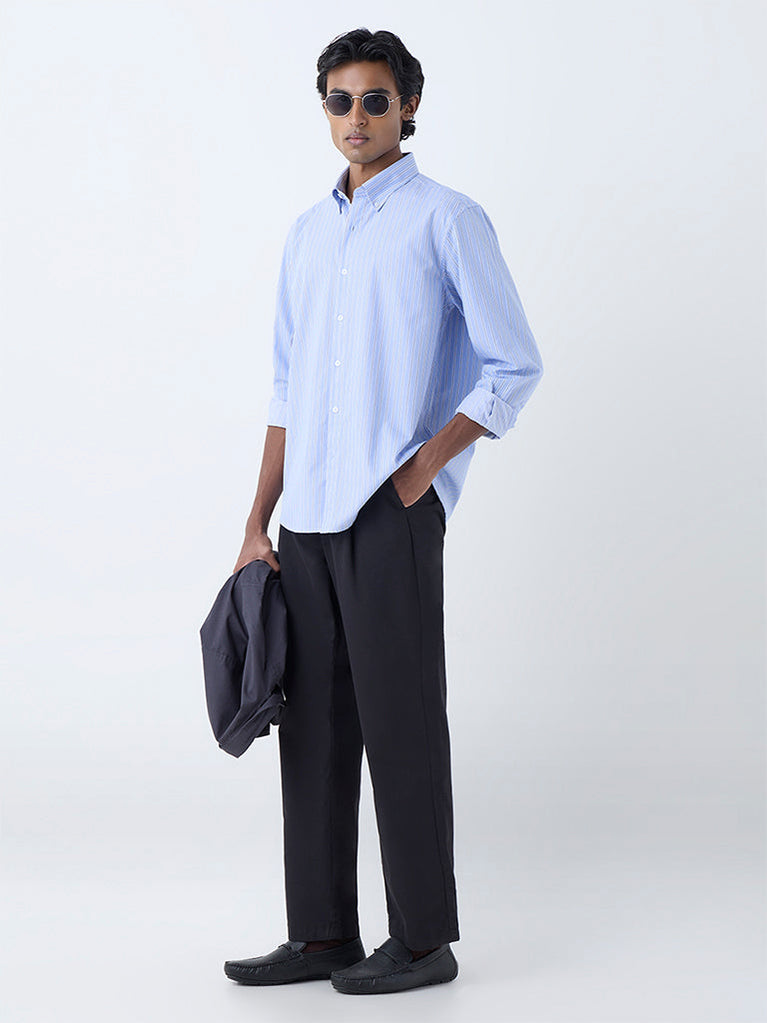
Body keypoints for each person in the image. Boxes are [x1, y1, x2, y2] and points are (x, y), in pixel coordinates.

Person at [223, 27, 543, 995]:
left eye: (374, 99)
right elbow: (286, 390)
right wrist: (255, 522)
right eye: (339, 100)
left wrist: (421, 471)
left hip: (387, 515)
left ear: (407, 105)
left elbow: (512, 365)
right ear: (322, 109)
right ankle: (321, 934)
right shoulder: (306, 233)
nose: (355, 117)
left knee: (401, 723)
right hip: (306, 522)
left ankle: (423, 940)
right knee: (312, 732)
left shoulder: (446, 220)